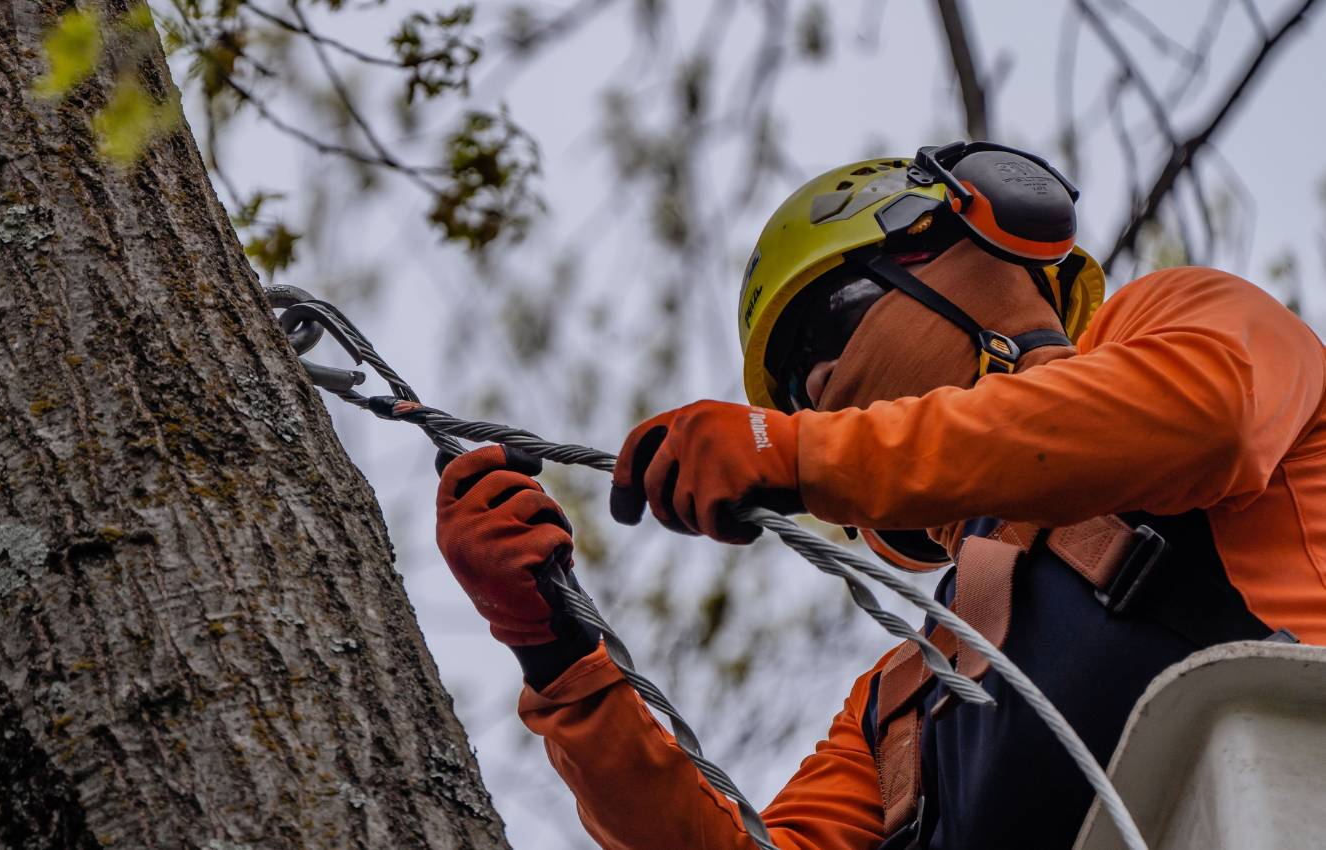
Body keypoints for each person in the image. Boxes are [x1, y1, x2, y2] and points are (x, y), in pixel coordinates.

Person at [434, 142, 1326, 849]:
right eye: (790, 389)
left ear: (972, 253)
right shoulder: (906, 696)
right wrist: (557, 655)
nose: (814, 386)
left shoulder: (1182, 324)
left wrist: (798, 452)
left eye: (831, 322)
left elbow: (1197, 417)